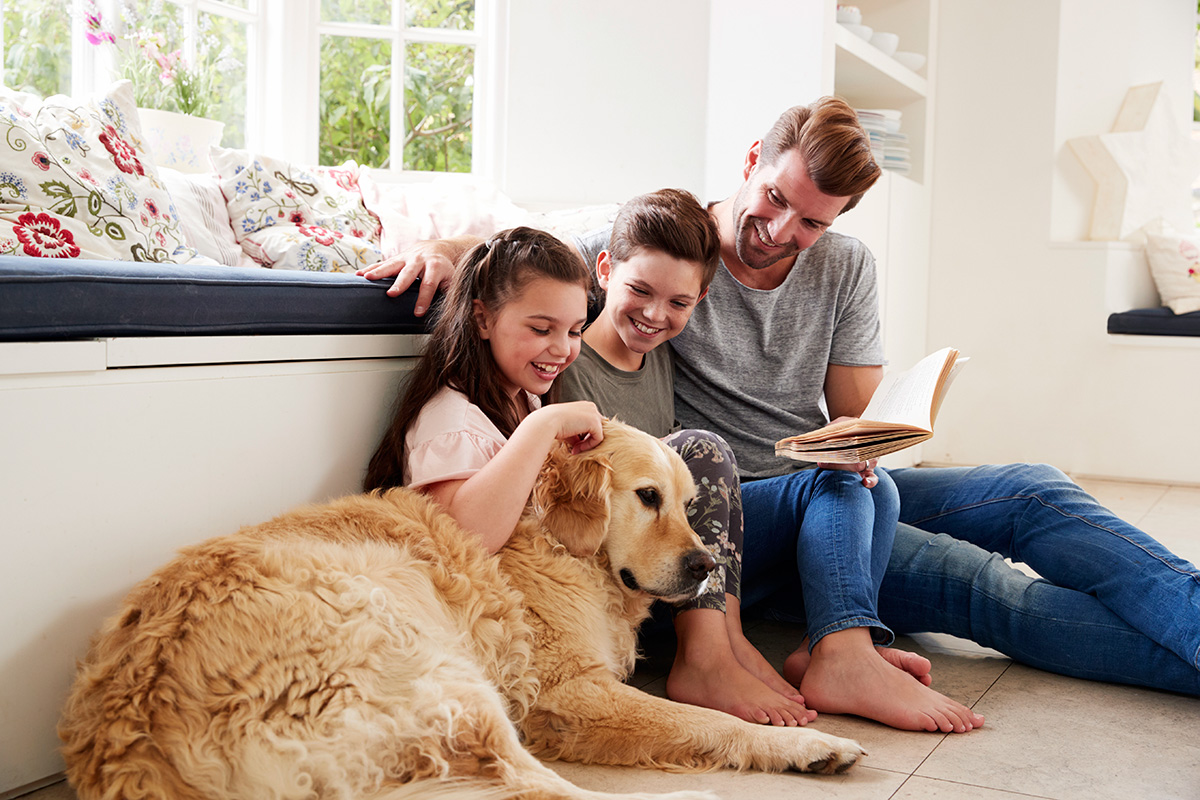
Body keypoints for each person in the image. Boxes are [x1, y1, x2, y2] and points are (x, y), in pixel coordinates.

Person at [359, 98, 1200, 708]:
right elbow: (518, 248)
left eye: (809, 222)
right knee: (992, 593)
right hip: (735, 509)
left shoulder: (844, 268)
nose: (779, 229)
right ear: (754, 158)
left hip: (817, 487)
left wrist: (868, 438)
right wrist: (443, 246)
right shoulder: (664, 243)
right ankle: (843, 644)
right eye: (774, 200)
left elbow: (854, 410)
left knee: (1031, 488)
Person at [555, 187, 981, 733]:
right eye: (639, 290)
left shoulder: (657, 353)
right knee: (709, 450)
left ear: (700, 299)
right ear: (605, 269)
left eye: (679, 303)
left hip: (686, 560)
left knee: (871, 485)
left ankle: (827, 645)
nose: (656, 314)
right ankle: (725, 654)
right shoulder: (569, 368)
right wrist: (447, 248)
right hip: (634, 578)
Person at [361, 226, 604, 556]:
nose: (563, 349)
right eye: (542, 329)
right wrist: (544, 425)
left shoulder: (523, 398)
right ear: (483, 319)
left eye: (575, 331)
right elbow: (466, 542)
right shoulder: (454, 424)